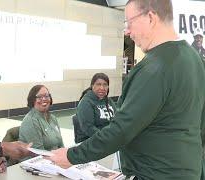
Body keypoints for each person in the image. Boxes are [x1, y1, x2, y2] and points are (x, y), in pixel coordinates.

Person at [48, 0, 205, 179]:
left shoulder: (154, 68)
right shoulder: (194, 59)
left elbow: (121, 129)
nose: (127, 31)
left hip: (155, 173)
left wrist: (71, 156)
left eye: (129, 23)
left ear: (151, 18)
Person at [19, 85, 64, 151]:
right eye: (39, 97)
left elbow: (61, 145)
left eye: (46, 96)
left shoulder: (53, 118)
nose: (44, 99)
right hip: (39, 159)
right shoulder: (31, 120)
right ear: (32, 100)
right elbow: (38, 152)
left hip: (55, 157)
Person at [74, 73, 116, 143]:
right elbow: (89, 128)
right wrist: (107, 138)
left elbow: (116, 120)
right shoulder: (86, 102)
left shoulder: (109, 101)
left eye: (105, 84)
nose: (102, 88)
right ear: (92, 86)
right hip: (91, 142)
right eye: (98, 84)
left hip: (109, 139)